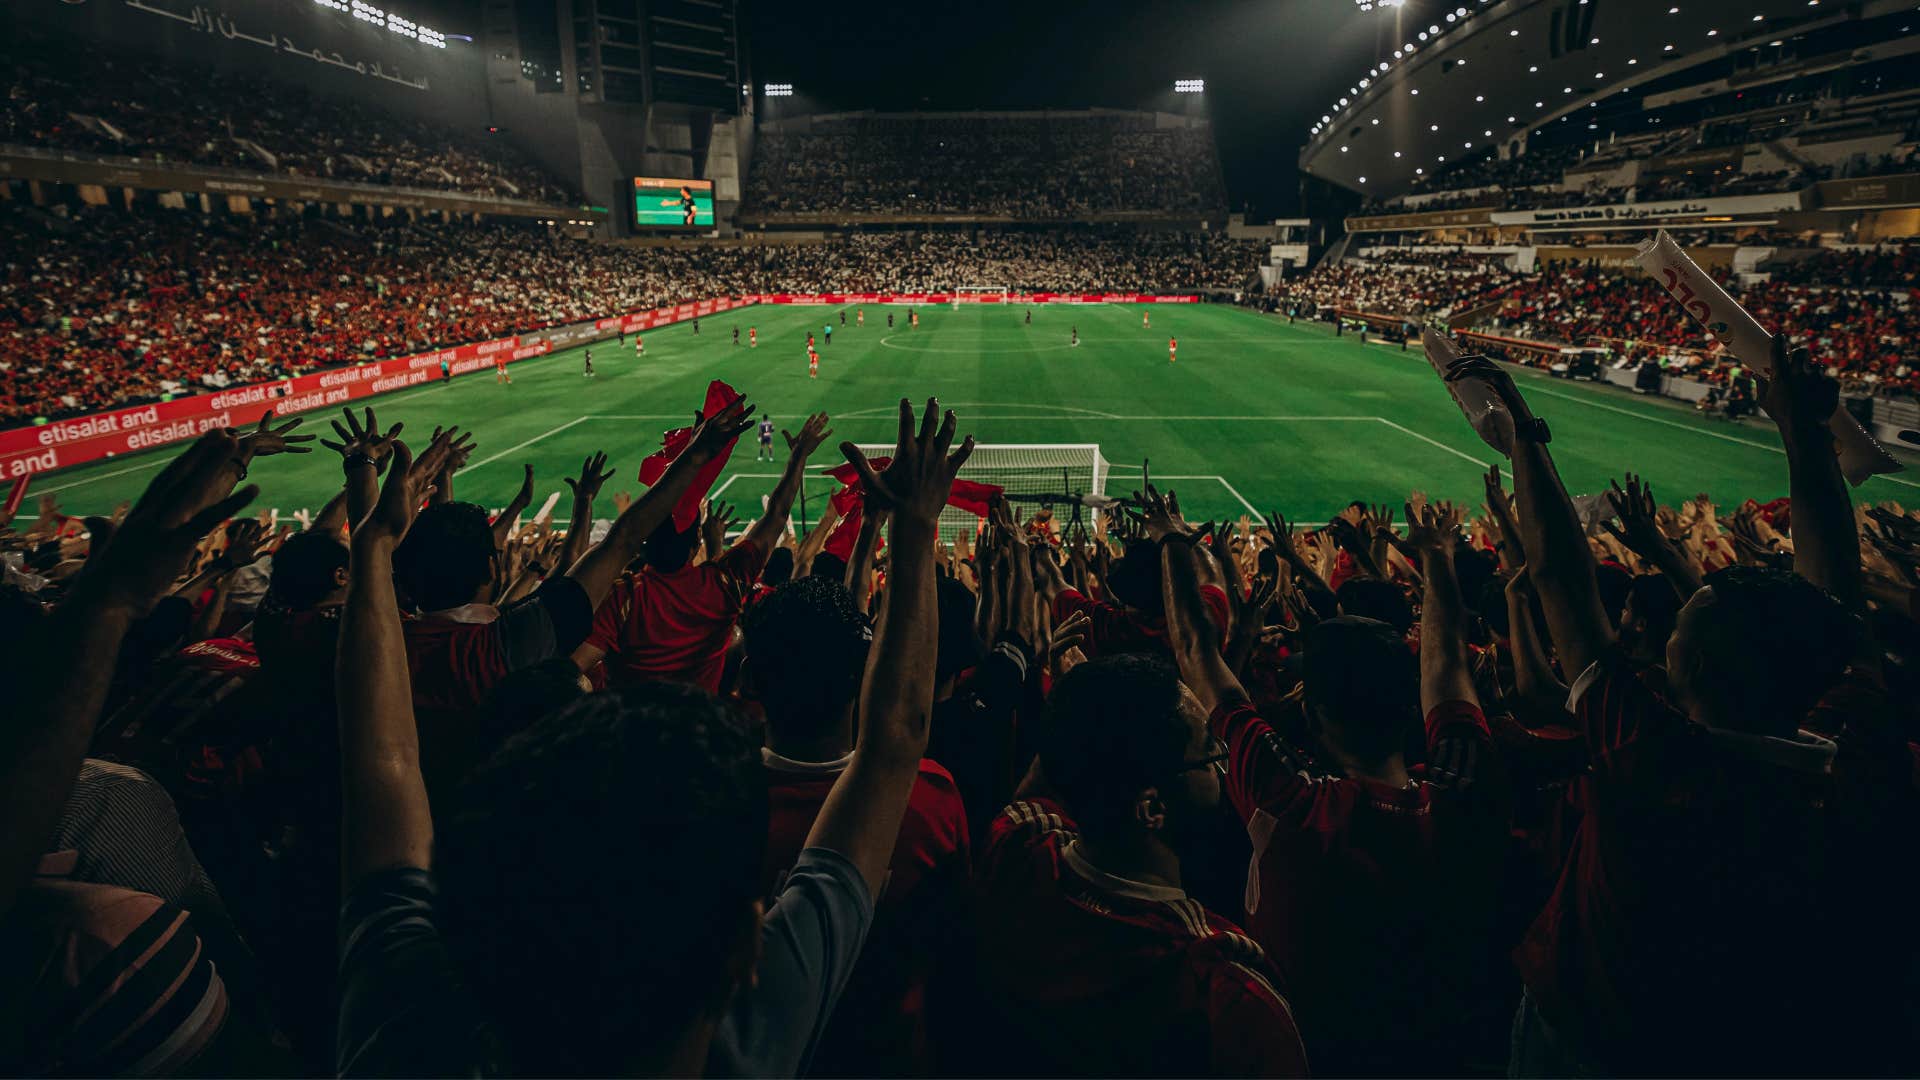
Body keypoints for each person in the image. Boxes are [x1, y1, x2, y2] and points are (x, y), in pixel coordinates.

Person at [334, 397, 978, 1076]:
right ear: (743, 953)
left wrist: (374, 545)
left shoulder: (407, 1031)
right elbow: (895, 741)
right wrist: (914, 526)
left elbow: (384, 762)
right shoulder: (752, 1039)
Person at [1157, 487, 1509, 1076]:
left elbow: (1197, 649)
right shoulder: (1466, 788)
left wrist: (1170, 540)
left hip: (1311, 1054)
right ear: (1408, 711)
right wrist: (1441, 556)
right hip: (1446, 1052)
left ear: (1313, 715)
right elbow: (1446, 664)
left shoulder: (1292, 801)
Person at [969, 651, 1310, 1076]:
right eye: (1209, 753)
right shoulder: (1222, 988)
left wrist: (1081, 709)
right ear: (1152, 808)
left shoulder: (1016, 850)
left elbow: (1035, 790)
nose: (1222, 768)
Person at [740, 574, 970, 1076]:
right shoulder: (930, 794)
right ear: (864, 675)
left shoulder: (712, 810)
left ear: (749, 678)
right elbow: (957, 940)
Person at [573, 413, 831, 694]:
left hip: (634, 733)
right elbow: (776, 516)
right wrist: (798, 457)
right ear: (697, 543)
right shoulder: (724, 583)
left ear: (643, 539)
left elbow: (572, 668)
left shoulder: (622, 597)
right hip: (701, 730)